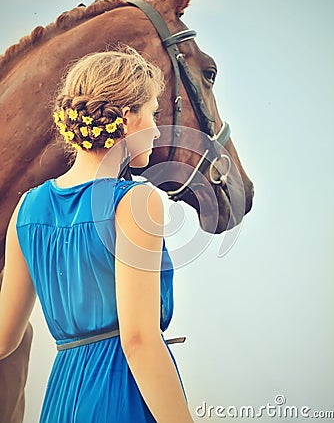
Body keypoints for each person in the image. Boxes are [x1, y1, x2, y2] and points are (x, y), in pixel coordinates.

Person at [0, 46, 194, 423]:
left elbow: (4, 338)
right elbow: (139, 341)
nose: (157, 129)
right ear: (125, 117)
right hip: (122, 393)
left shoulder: (27, 208)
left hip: (61, 400)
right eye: (153, 113)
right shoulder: (137, 202)